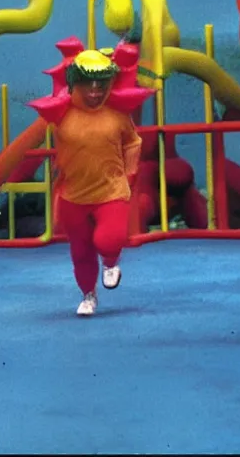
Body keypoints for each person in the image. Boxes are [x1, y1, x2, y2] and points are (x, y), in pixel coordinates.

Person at [45, 49, 144, 316]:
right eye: (88, 84)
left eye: (101, 85)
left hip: (111, 191)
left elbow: (134, 142)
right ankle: (88, 295)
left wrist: (130, 173)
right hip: (73, 195)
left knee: (109, 240)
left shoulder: (118, 116)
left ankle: (111, 262)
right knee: (80, 252)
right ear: (75, 83)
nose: (95, 91)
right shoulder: (61, 113)